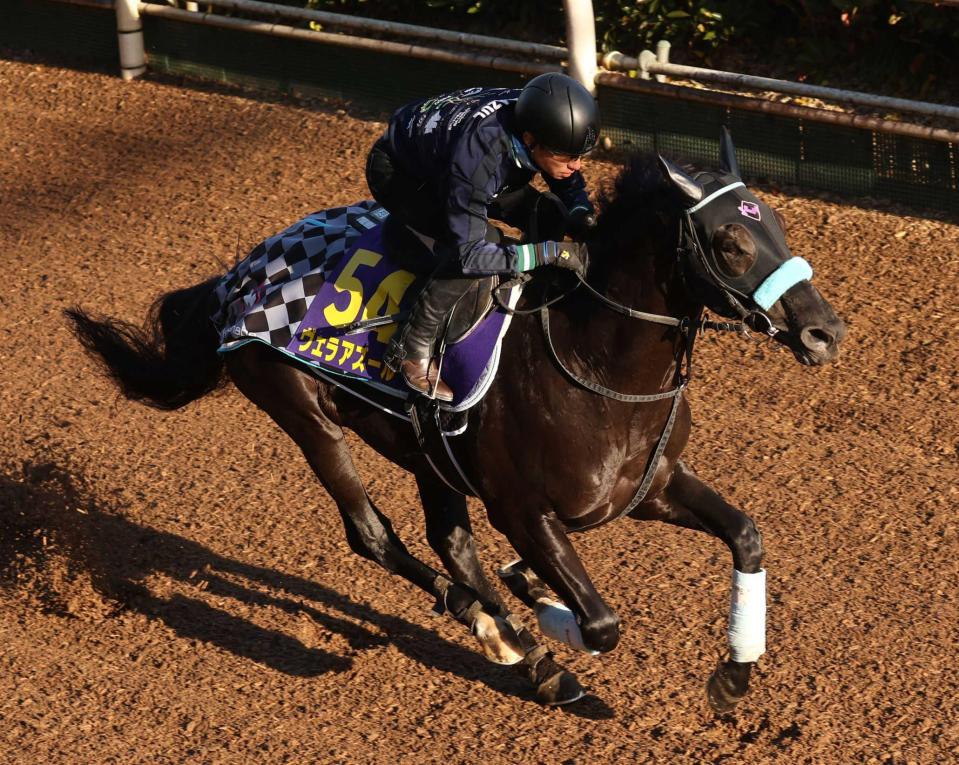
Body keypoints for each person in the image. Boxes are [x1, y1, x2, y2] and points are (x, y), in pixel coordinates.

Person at [365, 72, 599, 401]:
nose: (576, 165)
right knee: (482, 246)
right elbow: (470, 254)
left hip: (459, 162)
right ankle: (411, 347)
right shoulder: (481, 155)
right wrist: (544, 252)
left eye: (581, 156)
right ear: (530, 140)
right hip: (404, 175)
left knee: (549, 211)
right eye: (568, 156)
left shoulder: (539, 116)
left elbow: (563, 170)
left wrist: (578, 209)